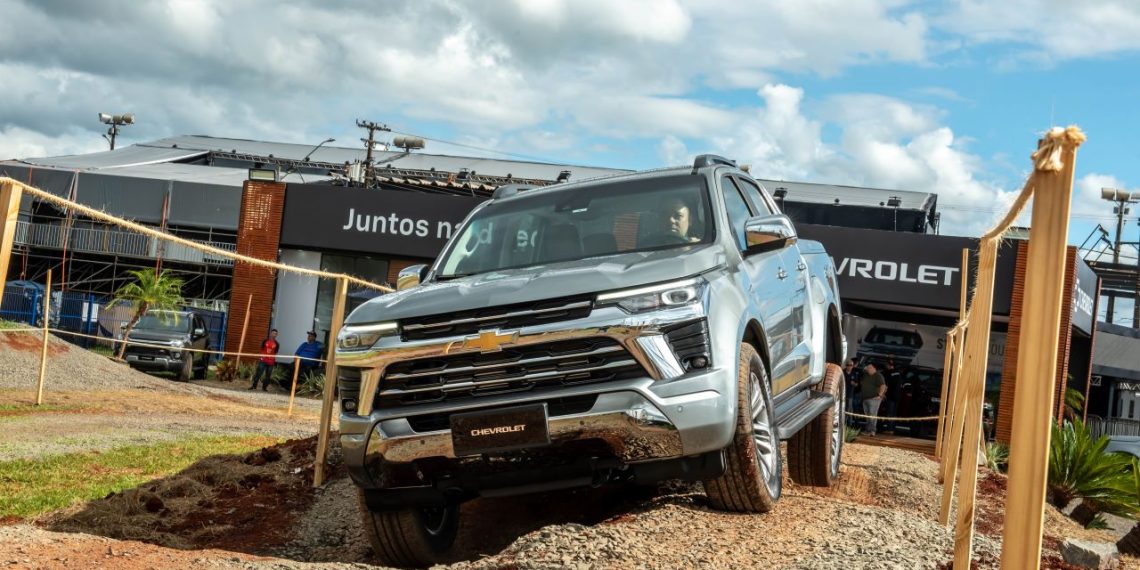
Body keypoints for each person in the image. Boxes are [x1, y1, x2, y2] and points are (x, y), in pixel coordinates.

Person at [860, 362, 887, 436]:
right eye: (867, 367)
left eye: (870, 368)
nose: (868, 369)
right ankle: (868, 430)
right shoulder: (866, 375)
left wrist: (879, 395)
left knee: (872, 414)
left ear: (874, 368)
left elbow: (883, 385)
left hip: (874, 398)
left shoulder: (878, 375)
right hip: (865, 398)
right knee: (867, 415)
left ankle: (872, 431)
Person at [882, 358, 903, 433]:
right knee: (894, 413)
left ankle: (889, 429)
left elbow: (886, 385)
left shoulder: (888, 373)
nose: (886, 366)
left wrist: (883, 394)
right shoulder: (898, 373)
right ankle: (892, 429)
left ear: (888, 365)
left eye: (886, 364)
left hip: (890, 396)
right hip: (897, 396)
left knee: (889, 413)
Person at [843, 359, 862, 426]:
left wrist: (853, 383)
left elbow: (857, 384)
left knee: (849, 408)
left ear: (852, 366)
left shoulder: (854, 373)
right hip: (842, 393)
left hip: (850, 394)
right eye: (848, 365)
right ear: (846, 365)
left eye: (851, 365)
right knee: (844, 408)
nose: (849, 366)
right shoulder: (842, 372)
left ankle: (848, 424)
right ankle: (844, 423)